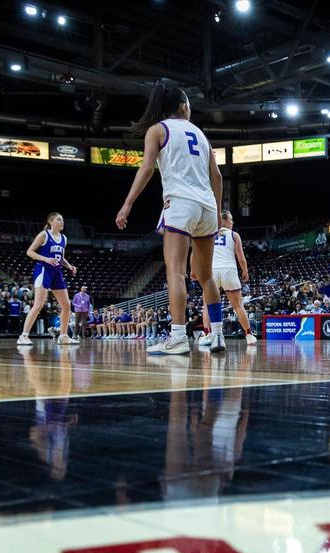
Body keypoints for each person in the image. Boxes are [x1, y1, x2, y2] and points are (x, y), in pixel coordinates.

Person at [115, 82, 225, 355]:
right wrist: (219, 213)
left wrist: (127, 204)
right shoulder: (200, 133)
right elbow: (218, 177)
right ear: (183, 106)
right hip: (208, 207)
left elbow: (147, 168)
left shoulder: (157, 130)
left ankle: (177, 336)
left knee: (175, 271)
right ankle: (218, 335)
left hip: (181, 203)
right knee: (207, 276)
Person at [196, 210, 258, 346]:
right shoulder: (234, 235)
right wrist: (245, 271)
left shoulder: (208, 233)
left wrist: (195, 269)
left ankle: (207, 334)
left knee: (206, 306)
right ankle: (248, 335)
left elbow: (199, 253)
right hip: (229, 270)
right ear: (223, 220)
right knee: (238, 306)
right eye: (230, 220)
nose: (232, 222)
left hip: (212, 271)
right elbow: (241, 257)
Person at [17, 213, 79, 346]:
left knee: (66, 306)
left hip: (57, 272)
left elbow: (61, 258)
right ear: (51, 221)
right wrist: (46, 259)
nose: (62, 222)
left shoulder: (64, 238)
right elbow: (30, 252)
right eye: (59, 219)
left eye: (63, 220)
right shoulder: (44, 235)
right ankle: (23, 336)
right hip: (44, 270)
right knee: (39, 304)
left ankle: (63, 336)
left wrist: (70, 267)